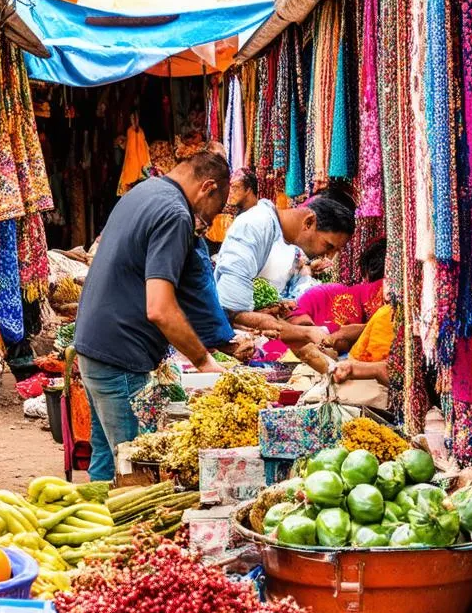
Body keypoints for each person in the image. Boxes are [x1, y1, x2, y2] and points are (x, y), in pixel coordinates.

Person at [75, 149, 231, 482]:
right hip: (122, 356)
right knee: (137, 471)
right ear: (208, 188)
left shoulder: (145, 190)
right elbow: (159, 307)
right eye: (216, 211)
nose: (211, 221)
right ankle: (124, 533)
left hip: (92, 346)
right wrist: (203, 360)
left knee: (108, 461)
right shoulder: (176, 213)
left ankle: (98, 529)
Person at [214, 194, 356, 334]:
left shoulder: (288, 245)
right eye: (329, 246)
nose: (330, 257)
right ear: (309, 222)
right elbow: (232, 307)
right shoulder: (256, 224)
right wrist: (301, 332)